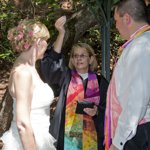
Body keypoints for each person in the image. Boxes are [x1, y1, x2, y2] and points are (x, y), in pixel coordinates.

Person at [40, 16, 109, 150]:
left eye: (82, 55)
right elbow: (52, 63)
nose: (78, 59)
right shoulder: (66, 77)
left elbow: (110, 109)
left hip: (94, 138)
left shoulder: (101, 82)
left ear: (90, 59)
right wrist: (61, 33)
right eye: (75, 55)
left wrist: (97, 111)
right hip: (67, 138)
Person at [0, 19, 56, 150]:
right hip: (27, 143)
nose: (47, 44)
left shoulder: (29, 68)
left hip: (40, 139)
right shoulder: (23, 73)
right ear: (37, 42)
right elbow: (23, 123)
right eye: (45, 40)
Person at [104, 0, 150, 150]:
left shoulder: (142, 46)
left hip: (138, 132)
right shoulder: (142, 43)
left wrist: (118, 142)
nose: (115, 26)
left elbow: (136, 100)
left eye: (116, 20)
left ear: (127, 19)